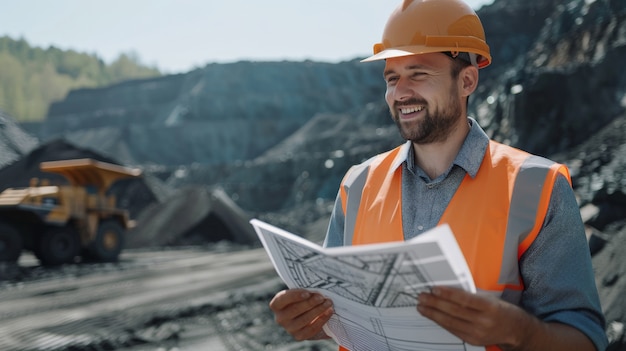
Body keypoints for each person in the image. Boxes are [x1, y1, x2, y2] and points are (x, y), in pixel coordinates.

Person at [269, 0, 608, 350]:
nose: (401, 92)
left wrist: (520, 332)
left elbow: (585, 339)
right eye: (392, 78)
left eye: (418, 73)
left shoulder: (537, 186)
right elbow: (341, 314)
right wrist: (313, 320)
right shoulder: (357, 185)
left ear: (467, 80)